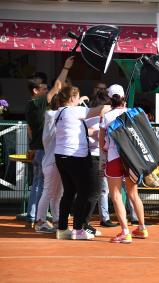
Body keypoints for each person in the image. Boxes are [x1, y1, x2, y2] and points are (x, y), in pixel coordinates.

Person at [54, 86, 111, 240]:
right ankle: (78, 229)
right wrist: (116, 105)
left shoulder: (59, 111)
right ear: (73, 98)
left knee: (69, 192)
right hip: (75, 156)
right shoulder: (74, 111)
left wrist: (79, 100)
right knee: (86, 192)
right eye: (77, 98)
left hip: (61, 156)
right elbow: (100, 110)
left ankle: (63, 228)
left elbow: (78, 112)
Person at [25, 56, 74, 227]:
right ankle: (39, 220)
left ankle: (44, 218)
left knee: (48, 189)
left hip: (41, 150)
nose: (48, 91)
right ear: (35, 91)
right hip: (46, 152)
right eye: (44, 88)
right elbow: (58, 86)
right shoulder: (39, 106)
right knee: (47, 189)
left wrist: (32, 146)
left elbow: (29, 130)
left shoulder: (34, 106)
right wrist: (66, 67)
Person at [99, 84, 149, 244]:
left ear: (110, 99)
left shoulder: (106, 117)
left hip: (114, 158)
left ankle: (125, 232)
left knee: (115, 196)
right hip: (132, 159)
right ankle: (142, 228)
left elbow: (102, 144)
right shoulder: (132, 113)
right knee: (133, 194)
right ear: (123, 98)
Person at [85, 89, 118, 228]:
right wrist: (97, 133)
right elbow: (83, 132)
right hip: (93, 157)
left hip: (106, 156)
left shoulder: (109, 119)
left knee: (104, 190)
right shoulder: (91, 119)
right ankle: (99, 218)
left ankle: (103, 217)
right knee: (99, 190)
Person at [34, 86, 63, 233]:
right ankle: (40, 221)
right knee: (49, 192)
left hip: (56, 161)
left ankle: (56, 220)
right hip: (52, 161)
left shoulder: (54, 115)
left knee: (57, 194)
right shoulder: (53, 115)